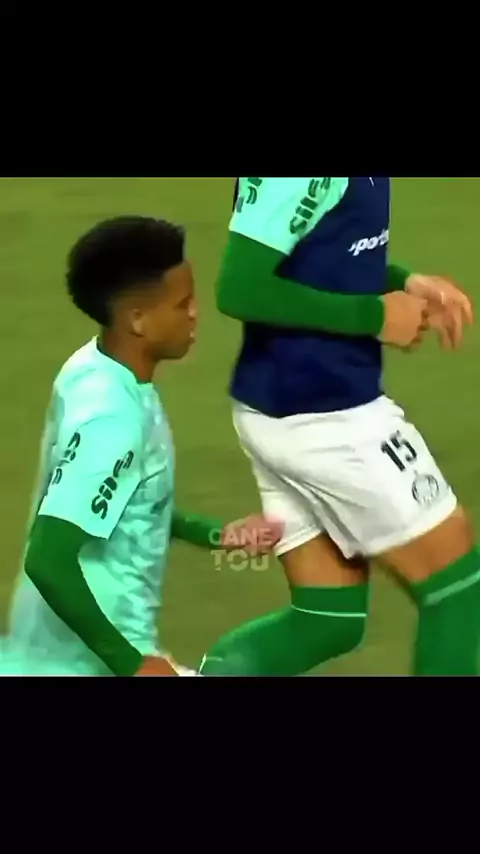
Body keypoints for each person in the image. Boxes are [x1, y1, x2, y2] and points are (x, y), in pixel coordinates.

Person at [199, 177, 477, 677]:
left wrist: (402, 281)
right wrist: (372, 315)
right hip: (323, 417)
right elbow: (240, 287)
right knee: (458, 590)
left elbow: (322, 256)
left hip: (287, 408)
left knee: (326, 619)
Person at [4, 215, 281, 677]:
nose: (195, 313)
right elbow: (48, 559)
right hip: (84, 665)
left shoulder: (93, 369)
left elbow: (115, 500)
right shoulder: (112, 419)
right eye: (182, 304)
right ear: (137, 319)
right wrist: (132, 665)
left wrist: (216, 534)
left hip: (55, 654)